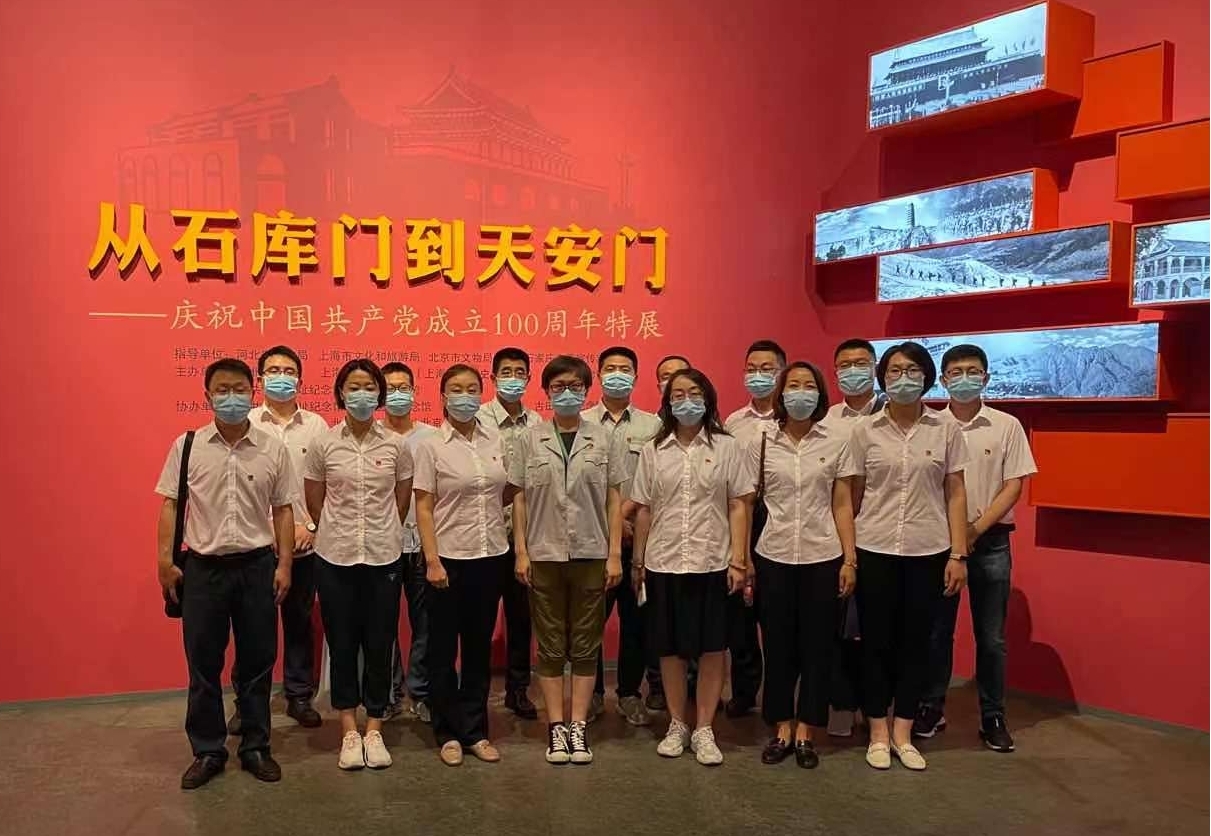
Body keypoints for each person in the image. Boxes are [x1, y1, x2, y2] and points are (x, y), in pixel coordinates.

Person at [155, 358, 295, 789]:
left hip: (257, 567)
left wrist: (284, 564)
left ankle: (255, 746)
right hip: (203, 570)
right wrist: (164, 561)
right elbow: (171, 505)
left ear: (252, 393)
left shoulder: (272, 447)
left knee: (257, 662)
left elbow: (283, 509)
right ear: (207, 396)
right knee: (203, 664)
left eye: (239, 389)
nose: (231, 397)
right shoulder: (188, 446)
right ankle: (208, 750)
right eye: (222, 390)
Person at [836, 341, 969, 772]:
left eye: (912, 370)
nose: (903, 378)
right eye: (894, 371)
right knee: (875, 643)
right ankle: (877, 729)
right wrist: (849, 557)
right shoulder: (864, 431)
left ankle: (903, 732)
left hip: (928, 550)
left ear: (927, 378)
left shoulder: (945, 429)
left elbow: (955, 492)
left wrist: (958, 554)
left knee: (918, 644)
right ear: (883, 378)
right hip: (874, 548)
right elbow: (852, 497)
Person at [915, 344, 1037, 753]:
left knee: (991, 637)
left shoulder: (1006, 425)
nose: (964, 378)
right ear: (943, 380)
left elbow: (1014, 485)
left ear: (986, 377)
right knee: (937, 632)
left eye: (973, 371)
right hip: (940, 543)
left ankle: (993, 716)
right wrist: (955, 536)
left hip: (991, 541)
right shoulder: (930, 424)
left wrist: (973, 530)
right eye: (956, 372)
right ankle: (931, 707)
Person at [631, 368, 755, 766]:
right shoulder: (653, 450)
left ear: (708, 398)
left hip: (712, 561)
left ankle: (704, 728)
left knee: (713, 648)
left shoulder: (727, 446)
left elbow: (738, 504)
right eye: (678, 394)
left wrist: (739, 559)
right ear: (668, 403)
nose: (687, 401)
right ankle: (677, 724)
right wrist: (638, 561)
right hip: (664, 561)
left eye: (695, 392)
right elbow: (644, 509)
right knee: (670, 650)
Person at [511, 355, 627, 764]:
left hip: (592, 553)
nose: (566, 393)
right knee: (549, 646)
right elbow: (520, 498)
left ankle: (578, 725)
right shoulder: (529, 438)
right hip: (543, 554)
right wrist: (521, 551)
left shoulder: (604, 439)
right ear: (546, 391)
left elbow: (614, 499)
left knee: (585, 644)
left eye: (574, 386)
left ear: (586, 391)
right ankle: (556, 727)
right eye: (558, 386)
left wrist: (615, 554)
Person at [304, 358, 413, 770]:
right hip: (335, 556)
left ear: (379, 394)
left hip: (384, 556)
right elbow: (315, 498)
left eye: (369, 386)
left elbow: (401, 499)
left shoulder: (396, 445)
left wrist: (382, 531)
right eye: (354, 386)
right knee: (343, 643)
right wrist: (338, 530)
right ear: (341, 393)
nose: (362, 394)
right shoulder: (324, 444)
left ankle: (375, 728)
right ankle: (349, 729)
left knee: (381, 643)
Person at [751, 362, 857, 770]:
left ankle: (807, 731)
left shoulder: (836, 440)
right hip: (773, 554)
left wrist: (849, 559)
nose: (800, 392)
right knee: (777, 645)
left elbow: (842, 503)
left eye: (808, 385)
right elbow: (746, 501)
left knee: (818, 647)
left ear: (820, 393)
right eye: (792, 385)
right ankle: (781, 727)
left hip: (823, 555)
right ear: (781, 394)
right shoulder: (763, 441)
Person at [224, 346, 327, 737]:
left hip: (304, 542)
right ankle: (248, 703)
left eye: (288, 370)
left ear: (299, 379)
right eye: (273, 370)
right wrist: (267, 531)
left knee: (299, 624)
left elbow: (326, 484)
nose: (281, 376)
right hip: (256, 546)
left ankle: (299, 696)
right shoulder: (246, 422)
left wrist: (311, 526)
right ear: (260, 378)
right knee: (252, 628)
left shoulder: (316, 426)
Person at [415, 364, 514, 766]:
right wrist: (432, 560)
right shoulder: (431, 445)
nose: (465, 396)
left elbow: (504, 492)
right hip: (447, 560)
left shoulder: (494, 439)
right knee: (441, 651)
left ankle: (474, 730)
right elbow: (424, 505)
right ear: (443, 396)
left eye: (472, 389)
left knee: (477, 649)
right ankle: (447, 732)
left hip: (490, 557)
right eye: (456, 389)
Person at [586, 346, 665, 726]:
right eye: (610, 368)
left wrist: (630, 520)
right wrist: (612, 523)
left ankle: (630, 694)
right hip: (592, 542)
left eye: (625, 368)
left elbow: (658, 482)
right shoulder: (580, 422)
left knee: (637, 625)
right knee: (589, 625)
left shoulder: (653, 426)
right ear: (599, 374)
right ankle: (592, 695)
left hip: (640, 543)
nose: (617, 374)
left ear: (635, 376)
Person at [721, 339, 786, 718]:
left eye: (767, 369)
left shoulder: (797, 419)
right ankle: (744, 690)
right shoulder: (733, 422)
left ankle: (779, 695)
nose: (758, 376)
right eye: (751, 369)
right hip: (742, 516)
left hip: (782, 518)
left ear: (782, 371)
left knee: (775, 614)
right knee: (739, 613)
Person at [825, 338, 886, 738]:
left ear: (874, 367)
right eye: (845, 364)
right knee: (839, 627)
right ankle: (842, 703)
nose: (853, 371)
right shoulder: (828, 419)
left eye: (861, 363)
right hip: (837, 537)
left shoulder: (893, 415)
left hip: (883, 537)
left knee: (878, 627)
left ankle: (877, 706)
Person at [478, 347, 539, 720]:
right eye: (506, 372)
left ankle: (519, 689)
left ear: (529, 378)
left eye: (519, 372)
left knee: (521, 617)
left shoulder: (538, 422)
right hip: (483, 534)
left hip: (526, 537)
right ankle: (478, 692)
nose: (513, 378)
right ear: (493, 377)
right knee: (480, 617)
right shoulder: (478, 418)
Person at [380, 361, 439, 725]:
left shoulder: (432, 437)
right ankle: (388, 693)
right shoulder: (370, 436)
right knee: (382, 624)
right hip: (381, 546)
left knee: (426, 623)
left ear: (415, 392)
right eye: (390, 388)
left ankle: (421, 691)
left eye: (404, 387)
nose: (397, 394)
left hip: (423, 545)